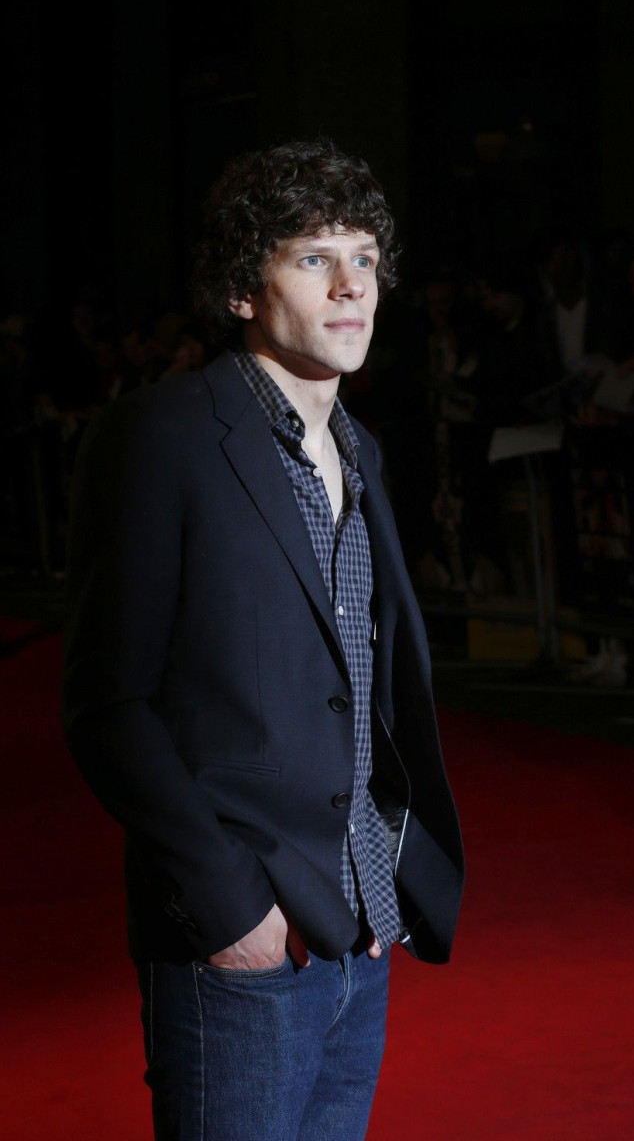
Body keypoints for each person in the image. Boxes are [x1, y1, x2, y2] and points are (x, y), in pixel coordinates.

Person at [62, 138, 464, 1140]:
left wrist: (385, 869)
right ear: (244, 289)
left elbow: (360, 686)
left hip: (361, 925)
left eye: (364, 259)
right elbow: (109, 703)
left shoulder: (360, 448)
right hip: (240, 937)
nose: (349, 287)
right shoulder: (165, 435)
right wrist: (229, 907)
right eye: (312, 258)